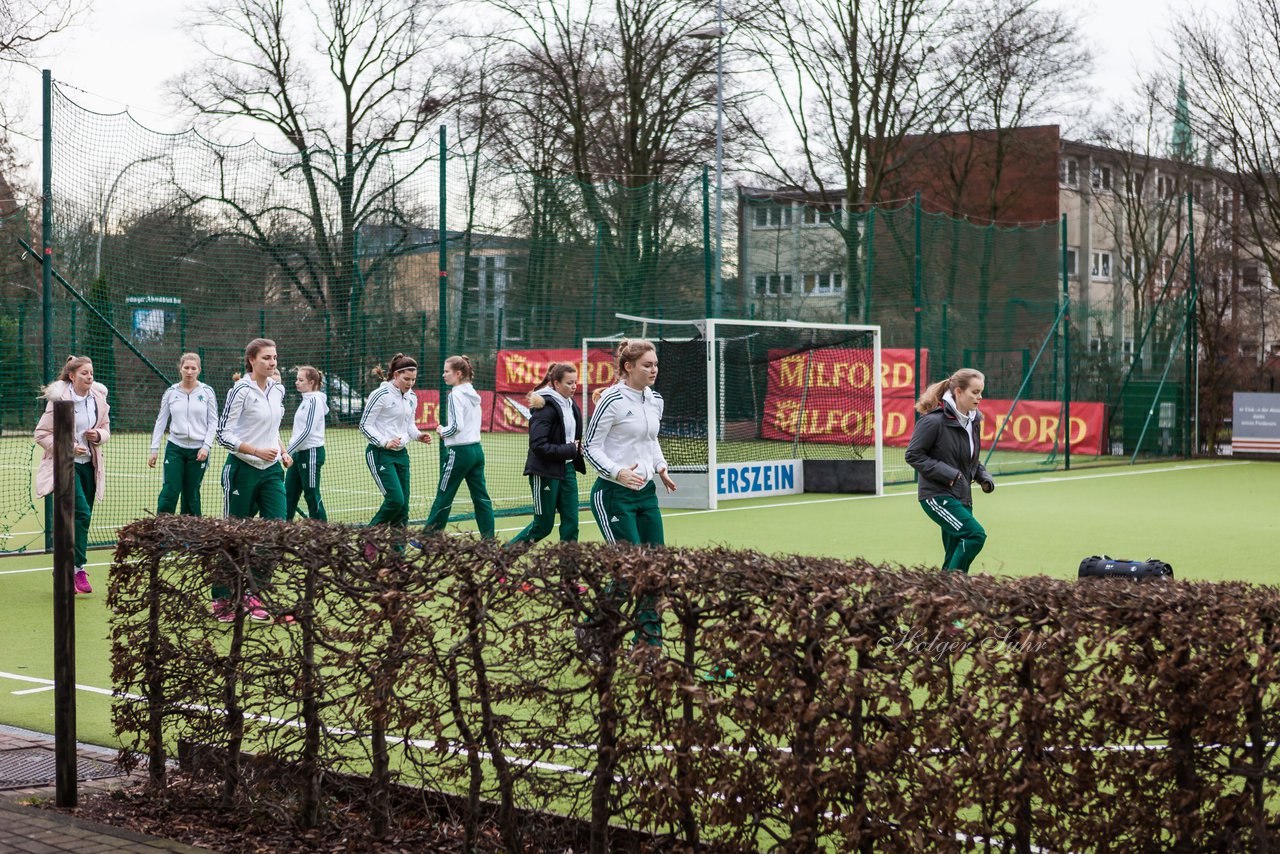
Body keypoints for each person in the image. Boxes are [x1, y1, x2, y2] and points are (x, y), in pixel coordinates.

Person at [582, 339, 677, 646]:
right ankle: (592, 631)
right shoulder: (612, 400)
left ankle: (648, 646)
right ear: (628, 367)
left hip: (646, 494)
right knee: (631, 572)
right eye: (647, 365)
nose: (654, 370)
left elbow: (650, 440)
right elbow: (590, 446)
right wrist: (617, 471)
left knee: (655, 570)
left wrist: (660, 467)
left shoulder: (655, 400)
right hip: (613, 494)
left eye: (656, 365)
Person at [213, 338, 291, 621]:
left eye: (274, 357)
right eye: (267, 358)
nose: (272, 362)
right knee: (233, 536)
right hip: (242, 469)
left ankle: (254, 593)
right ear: (251, 361)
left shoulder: (277, 389)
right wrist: (255, 450)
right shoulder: (240, 391)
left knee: (277, 530)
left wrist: (281, 450)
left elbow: (272, 427)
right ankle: (222, 597)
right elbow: (223, 434)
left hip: (271, 472)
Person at [904, 368, 996, 574]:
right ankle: (954, 587)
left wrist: (983, 477)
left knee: (954, 550)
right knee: (974, 535)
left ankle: (942, 593)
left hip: (962, 496)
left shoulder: (973, 422)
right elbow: (913, 455)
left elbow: (969, 460)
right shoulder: (932, 421)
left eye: (981, 392)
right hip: (936, 496)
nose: (979, 397)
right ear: (958, 392)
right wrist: (950, 475)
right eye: (975, 392)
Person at [34, 355, 110, 595]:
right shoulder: (59, 401)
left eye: (91, 373)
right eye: (84, 373)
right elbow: (41, 434)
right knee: (82, 513)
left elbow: (106, 428)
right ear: (72, 376)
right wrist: (66, 447)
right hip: (67, 467)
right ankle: (77, 568)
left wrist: (98, 436)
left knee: (81, 520)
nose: (89, 377)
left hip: (90, 465)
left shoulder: (98, 398)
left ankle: (66, 566)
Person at [508, 362, 585, 546]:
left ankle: (568, 572)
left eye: (575, 382)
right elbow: (538, 445)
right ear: (556, 384)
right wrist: (571, 449)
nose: (574, 387)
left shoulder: (571, 405)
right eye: (569, 383)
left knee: (571, 524)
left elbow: (571, 439)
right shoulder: (545, 408)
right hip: (545, 472)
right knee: (543, 526)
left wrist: (578, 449)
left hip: (567, 471)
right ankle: (502, 559)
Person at [424, 355, 495, 539]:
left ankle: (427, 538)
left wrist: (442, 430)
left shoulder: (455, 394)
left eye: (447, 371)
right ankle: (489, 540)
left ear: (458, 373)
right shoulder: (472, 392)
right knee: (482, 499)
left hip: (460, 453)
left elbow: (456, 427)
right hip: (477, 451)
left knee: (444, 495)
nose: (443, 375)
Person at [360, 353, 431, 533]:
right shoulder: (380, 394)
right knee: (395, 500)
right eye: (406, 379)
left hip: (402, 455)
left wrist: (418, 435)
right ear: (396, 375)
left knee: (403, 508)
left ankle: (397, 558)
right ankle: (368, 536)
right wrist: (384, 442)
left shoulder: (412, 397)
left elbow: (409, 425)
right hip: (379, 454)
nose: (410, 383)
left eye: (413, 379)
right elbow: (364, 425)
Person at [148, 353, 217, 516]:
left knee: (191, 493)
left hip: (199, 450)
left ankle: (191, 538)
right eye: (186, 368)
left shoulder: (207, 392)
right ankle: (163, 534)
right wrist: (154, 449)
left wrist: (206, 447)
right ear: (180, 369)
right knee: (170, 491)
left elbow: (214, 422)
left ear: (199, 370)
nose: (189, 372)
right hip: (175, 448)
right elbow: (161, 421)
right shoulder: (171, 392)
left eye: (193, 368)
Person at [285, 366, 328, 522]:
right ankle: (281, 532)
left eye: (300, 380)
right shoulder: (306, 400)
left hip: (311, 453)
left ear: (311, 382)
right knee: (288, 493)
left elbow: (308, 431)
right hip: (299, 454)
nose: (297, 382)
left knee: (311, 493)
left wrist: (286, 451)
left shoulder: (315, 400)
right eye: (297, 379)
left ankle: (322, 533)